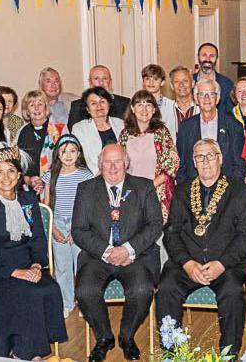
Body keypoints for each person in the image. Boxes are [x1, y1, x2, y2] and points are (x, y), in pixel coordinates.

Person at [156, 138, 246, 356]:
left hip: (225, 264)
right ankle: (172, 354)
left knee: (232, 292)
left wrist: (222, 264)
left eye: (210, 155)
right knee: (166, 288)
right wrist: (187, 263)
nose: (206, 161)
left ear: (220, 158)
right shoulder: (182, 192)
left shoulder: (239, 191)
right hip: (188, 262)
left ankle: (228, 355)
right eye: (200, 157)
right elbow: (171, 233)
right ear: (194, 162)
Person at [0, 146, 68, 360]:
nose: (6, 177)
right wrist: (16, 273)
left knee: (49, 289)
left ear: (19, 175)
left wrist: (36, 266)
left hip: (29, 265)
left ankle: (30, 349)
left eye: (11, 171)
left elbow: (38, 239)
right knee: (28, 294)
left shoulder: (29, 201)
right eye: (0, 172)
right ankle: (26, 353)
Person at [72, 144, 163, 361]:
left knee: (142, 289)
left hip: (136, 255)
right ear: (100, 164)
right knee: (85, 291)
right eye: (107, 162)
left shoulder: (144, 186)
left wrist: (128, 249)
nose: (113, 167)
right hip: (98, 256)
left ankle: (127, 336)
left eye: (118, 162)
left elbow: (155, 224)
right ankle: (104, 338)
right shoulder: (85, 189)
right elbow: (78, 230)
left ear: (127, 164)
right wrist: (106, 251)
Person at [41, 135, 94, 318]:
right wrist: (53, 229)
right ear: (57, 154)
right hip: (59, 224)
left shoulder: (85, 175)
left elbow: (89, 205)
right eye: (64, 151)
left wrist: (78, 230)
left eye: (73, 151)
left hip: (78, 224)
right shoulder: (50, 176)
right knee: (62, 267)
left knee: (81, 266)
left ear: (79, 153)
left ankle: (84, 301)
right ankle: (67, 302)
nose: (69, 155)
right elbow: (48, 205)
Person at [119, 90, 179, 222]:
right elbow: (119, 165)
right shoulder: (124, 134)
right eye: (139, 104)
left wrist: (150, 186)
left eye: (148, 104)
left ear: (154, 109)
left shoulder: (162, 132)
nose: (144, 109)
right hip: (131, 194)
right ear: (133, 109)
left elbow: (172, 164)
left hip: (156, 192)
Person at [175, 78, 245, 184]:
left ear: (217, 98)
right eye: (202, 94)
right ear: (196, 99)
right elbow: (181, 167)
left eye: (211, 94)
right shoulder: (185, 128)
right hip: (193, 191)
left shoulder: (234, 126)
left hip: (227, 191)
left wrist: (229, 193)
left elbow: (239, 166)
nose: (206, 98)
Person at [17, 90, 68, 196]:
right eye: (32, 105)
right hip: (29, 187)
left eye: (40, 104)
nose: (36, 108)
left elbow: (67, 160)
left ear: (46, 107)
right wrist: (28, 180)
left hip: (56, 187)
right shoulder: (22, 132)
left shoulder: (59, 129)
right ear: (27, 110)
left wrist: (45, 180)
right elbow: (18, 163)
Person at [71, 87, 125, 175]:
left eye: (102, 102)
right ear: (87, 109)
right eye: (93, 103)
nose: (99, 106)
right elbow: (85, 160)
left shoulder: (121, 124)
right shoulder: (79, 128)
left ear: (109, 104)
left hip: (123, 175)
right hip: (95, 178)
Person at [68, 65, 130, 129]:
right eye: (96, 79)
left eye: (105, 78)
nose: (101, 82)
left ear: (110, 82)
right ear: (90, 82)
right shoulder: (77, 106)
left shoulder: (125, 103)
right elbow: (73, 133)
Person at [194, 42, 235, 115]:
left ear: (217, 58)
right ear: (198, 57)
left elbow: (230, 113)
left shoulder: (227, 84)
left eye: (212, 56)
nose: (208, 59)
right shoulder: (189, 83)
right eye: (204, 55)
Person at [142, 64, 178, 138]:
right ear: (143, 81)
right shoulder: (137, 104)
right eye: (147, 79)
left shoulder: (171, 106)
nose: (151, 83)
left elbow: (173, 133)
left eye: (155, 79)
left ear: (162, 82)